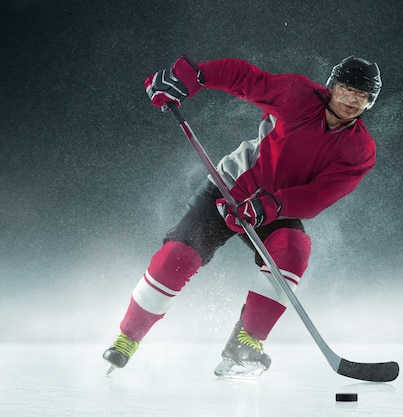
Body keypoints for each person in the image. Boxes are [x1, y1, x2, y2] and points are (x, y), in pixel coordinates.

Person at [102, 54, 382, 377]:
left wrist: (269, 207)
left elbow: (319, 195)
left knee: (293, 252)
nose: (352, 99)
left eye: (362, 96)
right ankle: (127, 339)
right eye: (347, 89)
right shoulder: (298, 95)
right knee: (178, 257)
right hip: (231, 186)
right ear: (333, 86)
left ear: (369, 102)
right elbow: (245, 78)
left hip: (277, 206)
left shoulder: (360, 150)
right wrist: (191, 77)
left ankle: (245, 344)